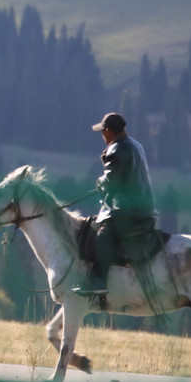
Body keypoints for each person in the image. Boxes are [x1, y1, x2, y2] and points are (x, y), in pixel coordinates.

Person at [73, 112, 158, 297]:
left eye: (103, 131)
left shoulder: (116, 149)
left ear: (109, 131)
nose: (102, 135)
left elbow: (110, 182)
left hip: (127, 211)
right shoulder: (136, 144)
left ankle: (98, 281)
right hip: (145, 208)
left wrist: (100, 181)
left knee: (102, 236)